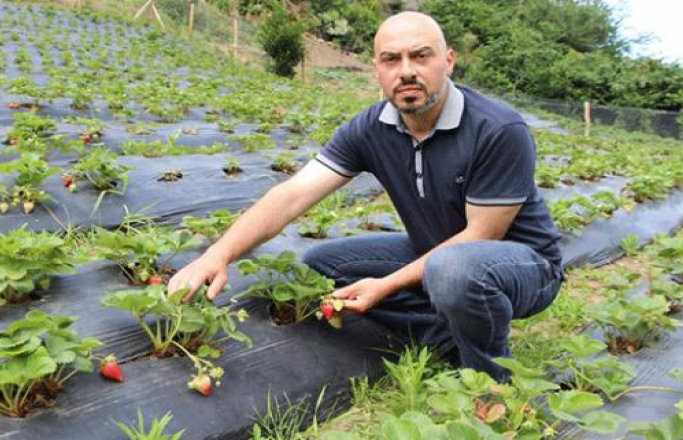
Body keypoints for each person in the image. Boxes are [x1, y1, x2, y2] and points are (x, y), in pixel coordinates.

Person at [168, 11, 563, 381]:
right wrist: (218, 254)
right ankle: (447, 336)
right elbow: (293, 194)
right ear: (377, 69)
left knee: (452, 270)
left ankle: (489, 379)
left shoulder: (497, 129)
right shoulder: (370, 129)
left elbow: (481, 236)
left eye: (420, 56)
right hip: (438, 253)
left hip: (525, 266)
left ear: (448, 61)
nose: (406, 71)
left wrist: (384, 285)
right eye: (391, 59)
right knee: (324, 264)